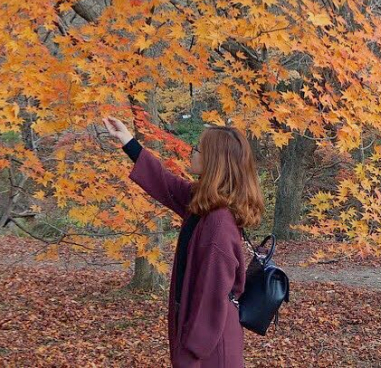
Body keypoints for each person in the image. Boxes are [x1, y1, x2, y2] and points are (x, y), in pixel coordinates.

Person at [102, 116, 264, 368]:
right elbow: (166, 184)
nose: (193, 151)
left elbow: (212, 299)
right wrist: (128, 142)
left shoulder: (218, 223)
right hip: (201, 342)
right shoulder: (205, 202)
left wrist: (190, 353)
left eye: (198, 148)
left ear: (214, 161)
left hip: (209, 352)